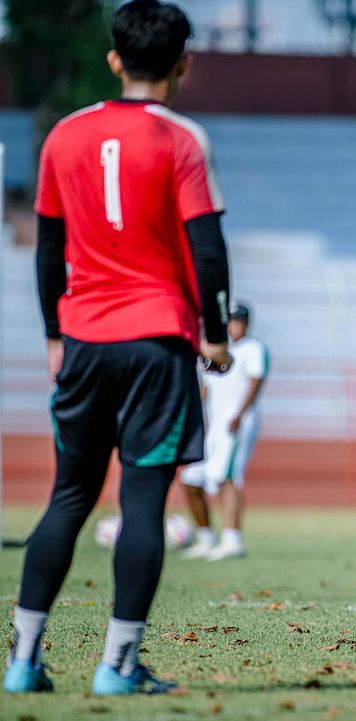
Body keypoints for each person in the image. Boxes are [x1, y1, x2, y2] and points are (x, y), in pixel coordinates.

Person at [4, 0, 231, 696]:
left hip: (83, 339)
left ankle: (22, 660)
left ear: (114, 59)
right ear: (183, 63)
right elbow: (208, 248)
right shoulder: (183, 138)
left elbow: (46, 247)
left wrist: (53, 333)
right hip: (158, 342)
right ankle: (119, 664)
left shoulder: (65, 135)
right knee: (140, 505)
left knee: (68, 496)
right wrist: (217, 334)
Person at [180, 304, 268, 561]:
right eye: (231, 320)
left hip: (236, 422)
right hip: (213, 425)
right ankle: (206, 538)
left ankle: (232, 539)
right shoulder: (214, 351)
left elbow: (255, 382)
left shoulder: (253, 349)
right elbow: (206, 388)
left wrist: (240, 414)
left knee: (227, 477)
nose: (235, 325)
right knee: (190, 479)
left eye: (239, 321)